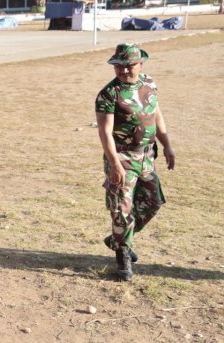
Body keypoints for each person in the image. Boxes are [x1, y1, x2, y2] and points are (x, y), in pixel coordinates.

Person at [95, 43, 175, 281]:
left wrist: (167, 144)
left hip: (147, 155)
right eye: (118, 66)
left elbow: (156, 114)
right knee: (122, 207)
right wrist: (116, 165)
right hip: (122, 156)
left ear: (141, 64)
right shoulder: (109, 94)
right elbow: (105, 132)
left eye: (129, 65)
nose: (123, 70)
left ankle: (119, 238)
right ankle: (123, 254)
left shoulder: (149, 84)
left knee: (153, 202)